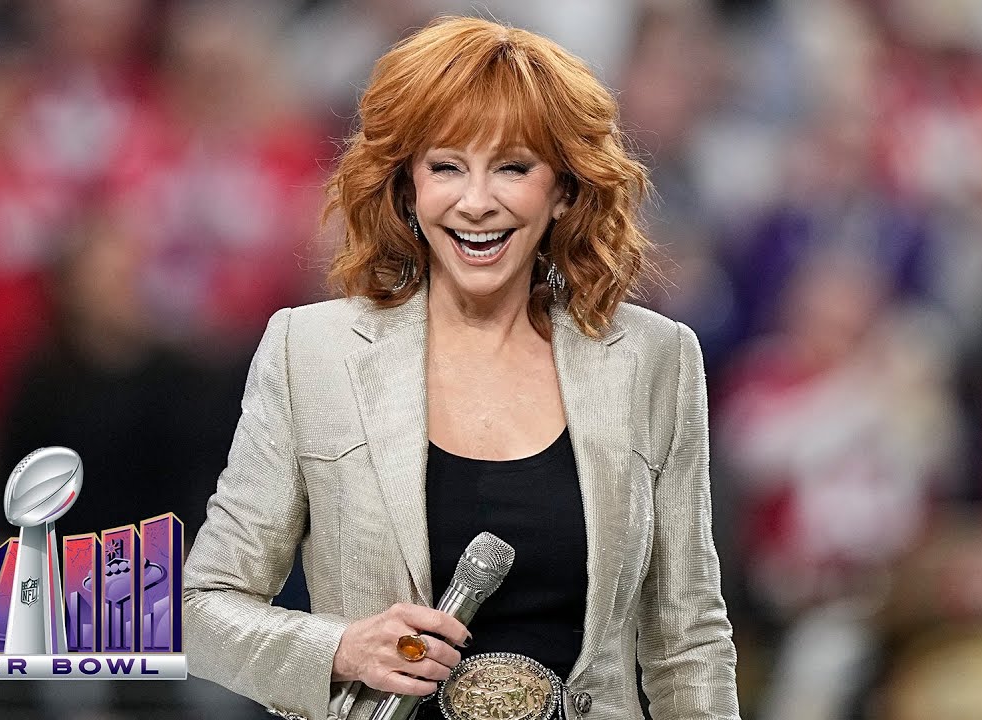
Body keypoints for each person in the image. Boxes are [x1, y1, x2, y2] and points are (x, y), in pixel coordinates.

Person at [182, 16, 740, 720]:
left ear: (564, 189)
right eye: (447, 166)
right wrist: (342, 648)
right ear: (407, 186)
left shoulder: (656, 359)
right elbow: (202, 611)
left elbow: (688, 642)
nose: (477, 202)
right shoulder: (309, 353)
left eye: (513, 166)